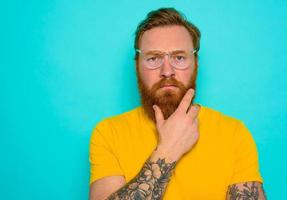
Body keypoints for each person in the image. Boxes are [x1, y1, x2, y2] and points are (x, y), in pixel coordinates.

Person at [89, 7, 266, 200]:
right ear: (137, 65)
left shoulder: (234, 134)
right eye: (153, 58)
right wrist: (168, 150)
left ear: (195, 64)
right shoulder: (108, 133)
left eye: (179, 58)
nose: (167, 71)